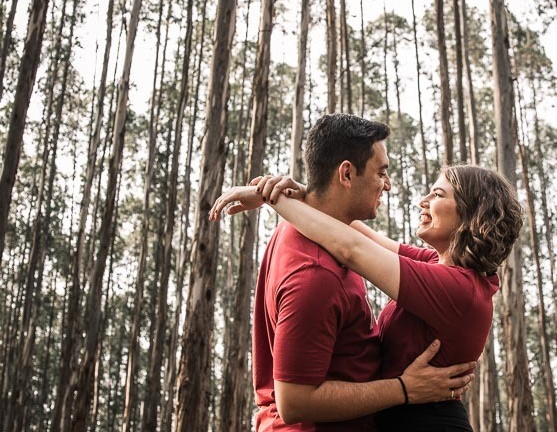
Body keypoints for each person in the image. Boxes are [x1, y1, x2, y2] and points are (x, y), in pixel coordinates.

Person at [214, 156, 523, 430]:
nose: (423, 200)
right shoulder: (438, 265)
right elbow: (359, 233)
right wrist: (304, 192)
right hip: (398, 418)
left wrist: (273, 199)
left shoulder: (459, 290)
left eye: (438, 194)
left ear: (471, 216)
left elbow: (351, 249)